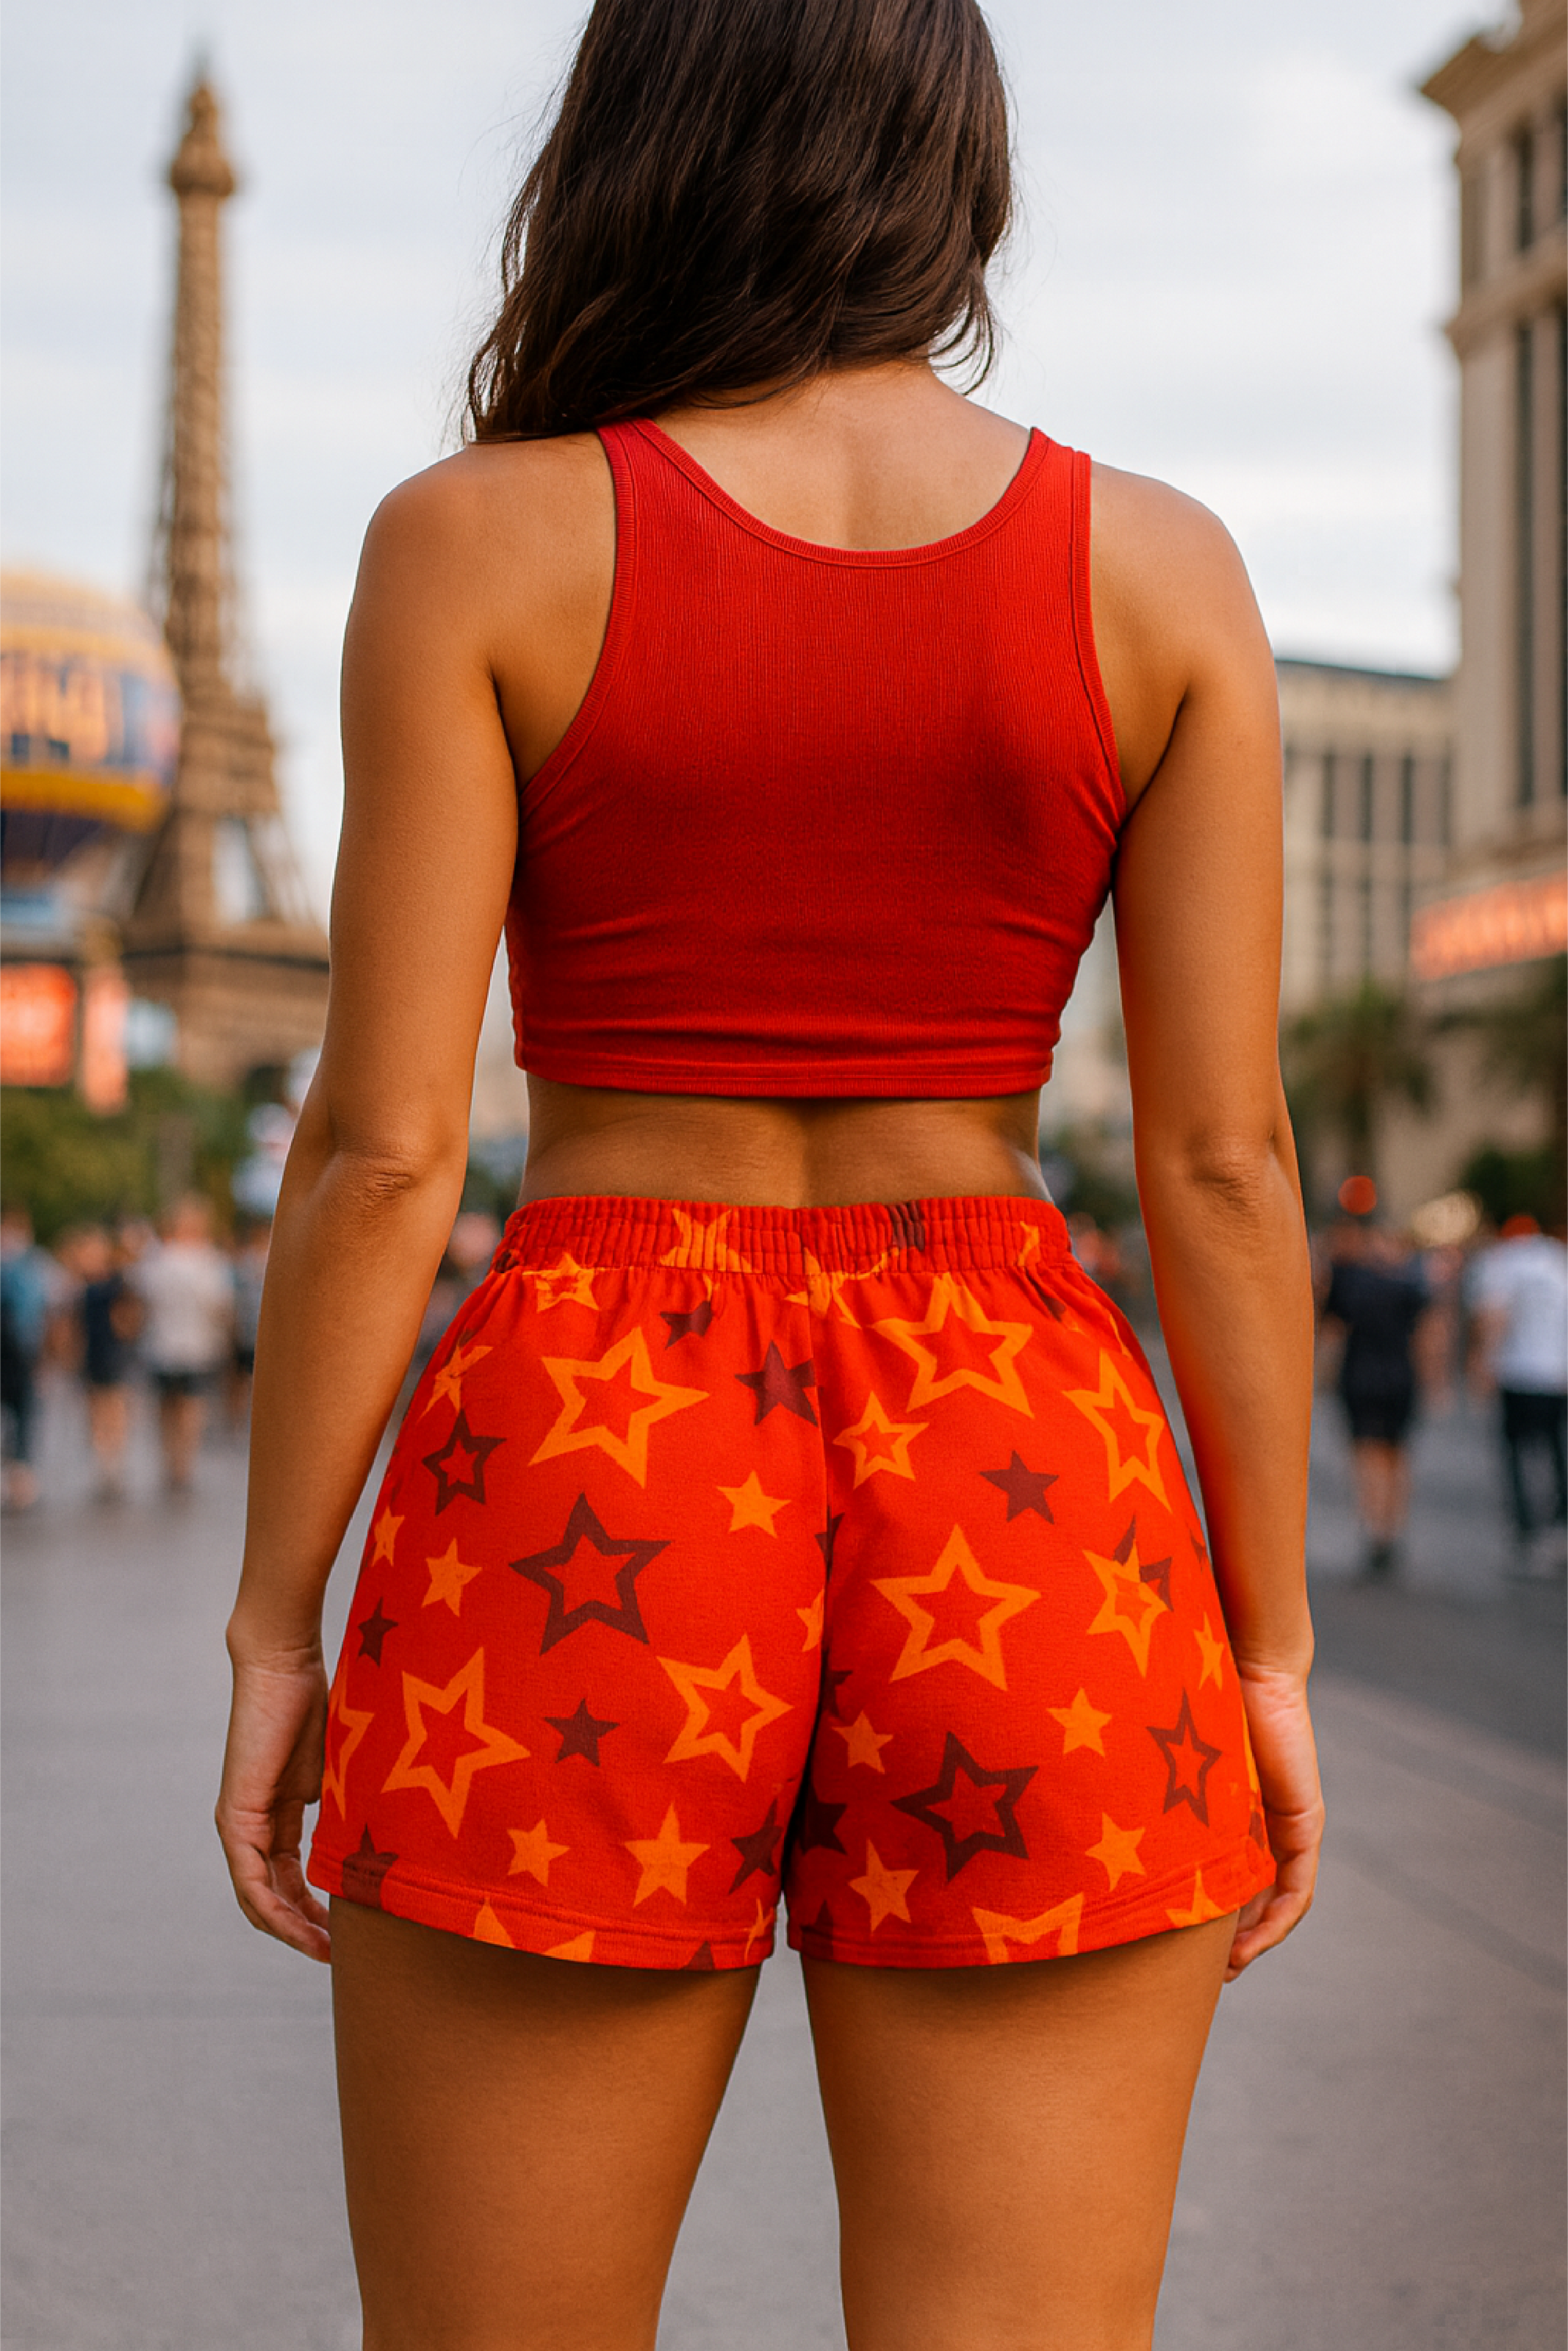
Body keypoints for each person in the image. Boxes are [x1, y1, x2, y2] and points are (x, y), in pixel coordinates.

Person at [216, 7, 1322, 2345]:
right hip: (1020, 1446)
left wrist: (269, 1618)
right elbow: (1225, 1165)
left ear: (632, 140)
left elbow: (390, 1142)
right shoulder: (1160, 572)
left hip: (587, 1438)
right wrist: (1277, 1639)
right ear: (958, 169)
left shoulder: (476, 544)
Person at [1321, 1218, 1430, 1582]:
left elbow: (1332, 1329)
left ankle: (1375, 1531)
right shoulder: (1411, 1285)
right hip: (1401, 1378)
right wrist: (1434, 1381)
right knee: (1396, 1456)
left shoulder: (1351, 1281)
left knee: (1368, 1456)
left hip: (1360, 1378)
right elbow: (1429, 1334)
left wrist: (1321, 1373)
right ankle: (1390, 1528)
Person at [1471, 1211, 1568, 1575]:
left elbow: (1494, 1315)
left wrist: (1484, 1363)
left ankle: (1527, 1527)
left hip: (1520, 1372)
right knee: (1556, 1449)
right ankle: (1559, 1520)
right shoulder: (1557, 1260)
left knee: (1517, 1454)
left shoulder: (1503, 1262)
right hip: (1556, 1373)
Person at [132, 1195, 233, 1494]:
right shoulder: (209, 1261)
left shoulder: (155, 1260)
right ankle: (183, 1463)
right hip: (197, 1346)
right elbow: (220, 1306)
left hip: (160, 1345)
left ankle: (168, 1459)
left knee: (165, 1406)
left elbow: (142, 1304)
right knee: (191, 1406)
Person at [73, 1225, 141, 1503]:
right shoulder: (85, 1287)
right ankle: (105, 1463)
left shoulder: (117, 1283)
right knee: (96, 1410)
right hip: (94, 1354)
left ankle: (113, 1463)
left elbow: (130, 1317)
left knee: (114, 1408)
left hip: (113, 1354)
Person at [0, 1206, 51, 1511]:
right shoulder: (30, 1266)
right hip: (20, 1353)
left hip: (18, 1353)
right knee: (22, 1419)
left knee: (20, 1419)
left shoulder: (29, 1266)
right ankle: (20, 1483)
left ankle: (18, 1482)